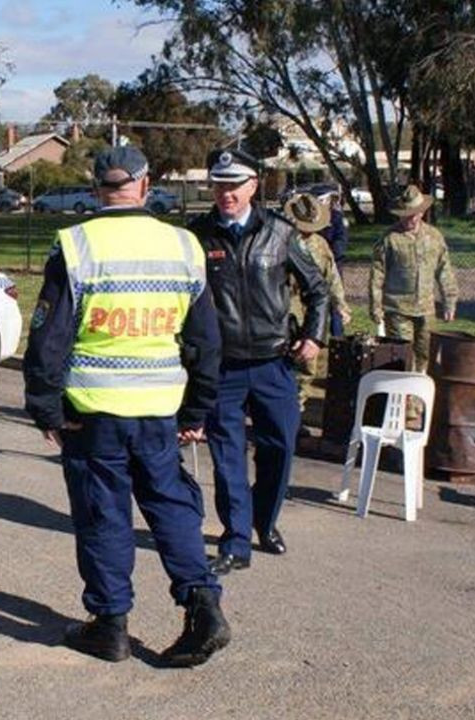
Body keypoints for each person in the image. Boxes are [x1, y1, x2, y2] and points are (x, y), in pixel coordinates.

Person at [24, 146, 229, 667]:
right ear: (145, 184)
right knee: (171, 507)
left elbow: (50, 335)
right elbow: (206, 340)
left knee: (103, 515)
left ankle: (110, 624)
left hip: (93, 412)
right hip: (159, 409)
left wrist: (45, 406)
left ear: (97, 188)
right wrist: (197, 410)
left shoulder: (77, 245)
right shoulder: (183, 246)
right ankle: (202, 605)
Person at [187, 148, 328, 574]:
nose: (226, 193)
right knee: (227, 456)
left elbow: (317, 290)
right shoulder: (197, 236)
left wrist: (313, 336)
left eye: (235, 184)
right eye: (219, 184)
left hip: (273, 363)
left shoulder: (280, 233)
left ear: (254, 186)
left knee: (279, 448)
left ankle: (264, 524)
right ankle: (235, 541)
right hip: (222, 367)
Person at [369, 184, 459, 374]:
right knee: (403, 354)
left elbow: (444, 270)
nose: (409, 219)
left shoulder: (434, 237)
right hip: (397, 309)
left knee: (424, 354)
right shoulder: (389, 239)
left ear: (421, 213)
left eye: (413, 214)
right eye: (405, 214)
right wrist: (376, 306)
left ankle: (418, 397)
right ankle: (403, 399)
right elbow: (377, 275)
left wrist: (449, 301)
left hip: (426, 308)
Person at [283, 193, 351, 417]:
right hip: (286, 309)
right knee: (286, 362)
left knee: (308, 363)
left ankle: (297, 410)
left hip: (313, 311)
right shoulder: (282, 240)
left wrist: (340, 304)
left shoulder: (320, 245)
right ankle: (285, 410)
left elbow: (331, 277)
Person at [313, 183, 349, 338]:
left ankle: (337, 336)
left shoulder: (337, 217)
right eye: (318, 200)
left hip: (333, 264)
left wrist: (328, 255)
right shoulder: (311, 216)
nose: (320, 203)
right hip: (312, 266)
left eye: (323, 200)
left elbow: (341, 241)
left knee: (335, 302)